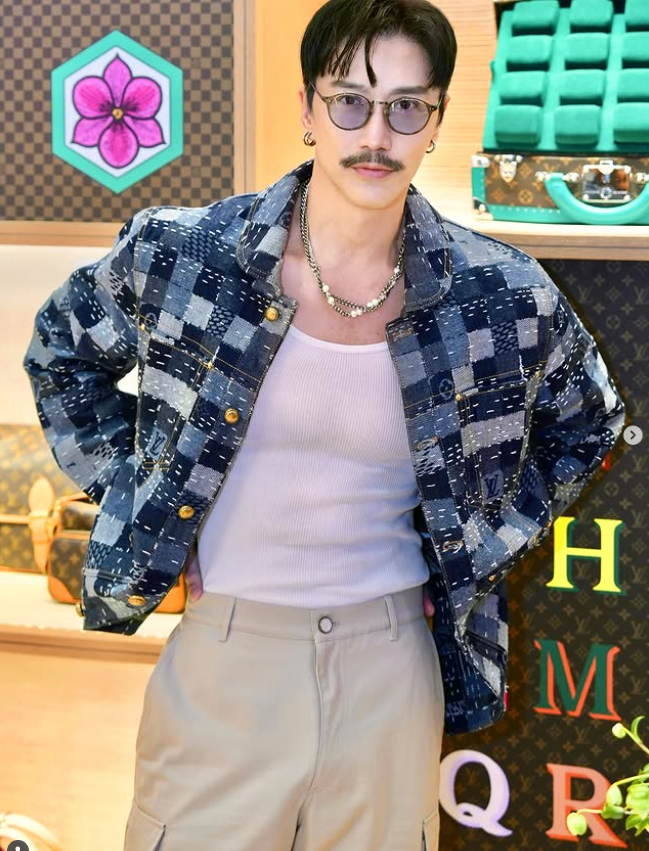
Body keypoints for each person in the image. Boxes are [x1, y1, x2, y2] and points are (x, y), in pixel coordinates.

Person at [23, 1, 626, 848]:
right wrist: (148, 499)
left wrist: (473, 543)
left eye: (405, 106)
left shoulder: (499, 293)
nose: (375, 134)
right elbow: (60, 353)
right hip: (226, 660)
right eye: (350, 101)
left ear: (435, 122)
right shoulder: (183, 254)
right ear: (307, 108)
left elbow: (587, 424)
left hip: (390, 670)